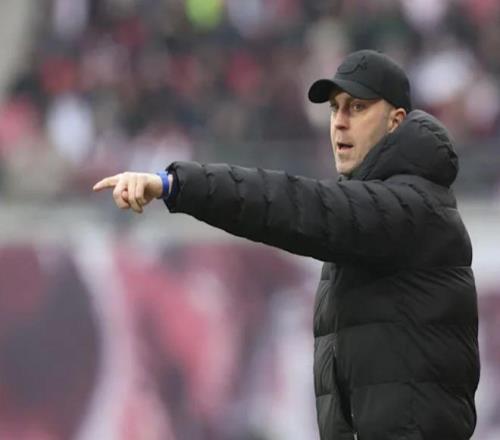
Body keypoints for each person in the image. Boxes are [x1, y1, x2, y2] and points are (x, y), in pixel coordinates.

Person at [93, 50, 480, 440]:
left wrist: (177, 184)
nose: (339, 122)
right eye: (335, 108)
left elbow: (291, 202)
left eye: (358, 108)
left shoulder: (411, 209)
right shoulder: (378, 215)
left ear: (395, 121)